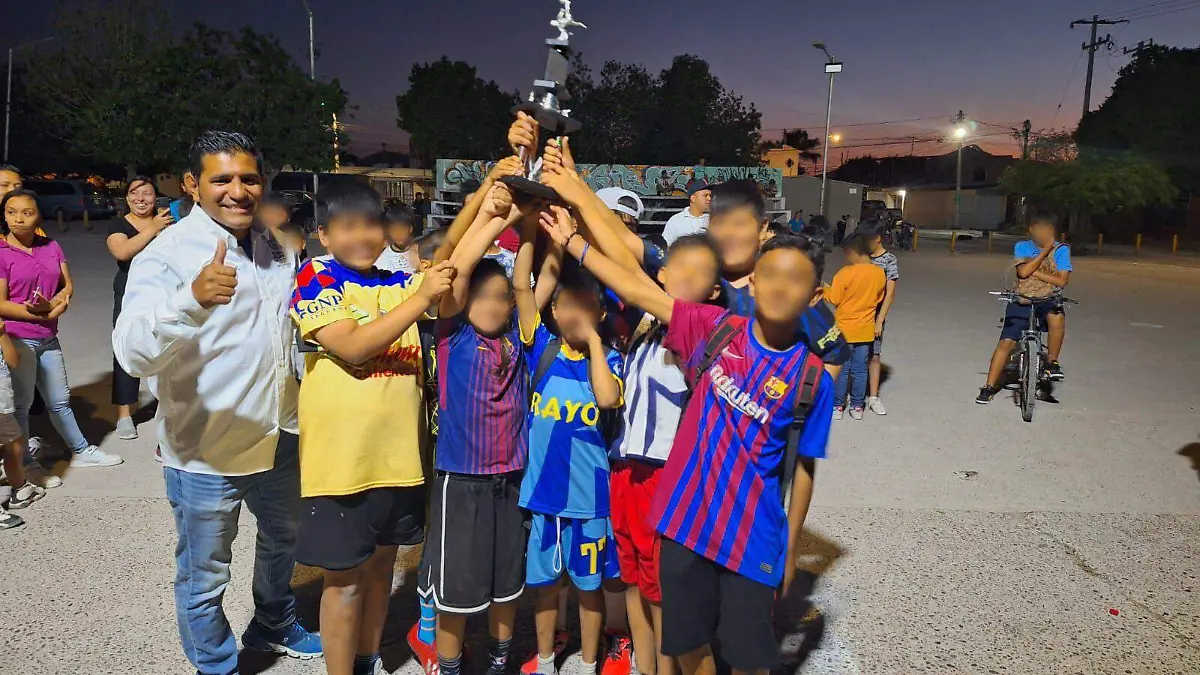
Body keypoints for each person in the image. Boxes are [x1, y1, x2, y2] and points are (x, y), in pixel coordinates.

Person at [539, 195, 834, 675]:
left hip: (752, 535)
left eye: (796, 279)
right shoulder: (714, 329)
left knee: (748, 656)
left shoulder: (812, 377)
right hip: (685, 525)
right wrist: (573, 241)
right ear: (753, 281)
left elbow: (804, 468)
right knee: (686, 642)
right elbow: (634, 286)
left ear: (815, 295)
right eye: (771, 275)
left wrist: (791, 548)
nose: (781, 287)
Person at [113, 131, 322, 675]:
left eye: (248, 178)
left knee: (284, 541)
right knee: (205, 576)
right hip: (205, 453)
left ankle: (273, 621)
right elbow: (131, 353)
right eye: (221, 179)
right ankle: (216, 665)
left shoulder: (278, 245)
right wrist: (190, 301)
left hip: (279, 436)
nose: (237, 190)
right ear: (192, 184)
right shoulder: (167, 254)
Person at [289, 181, 454, 675]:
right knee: (343, 581)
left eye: (371, 226)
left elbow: (449, 266)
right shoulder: (316, 277)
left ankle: (367, 658)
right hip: (342, 465)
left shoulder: (394, 280)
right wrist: (420, 298)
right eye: (347, 227)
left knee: (382, 568)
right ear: (323, 234)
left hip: (399, 459)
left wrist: (490, 201)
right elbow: (354, 346)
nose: (362, 236)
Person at [418, 184, 536, 675]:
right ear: (464, 302)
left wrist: (529, 224)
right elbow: (458, 269)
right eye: (481, 297)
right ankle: (449, 664)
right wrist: (494, 217)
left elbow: (526, 282)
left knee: (506, 584)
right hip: (461, 481)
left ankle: (500, 659)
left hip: (510, 479)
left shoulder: (518, 339)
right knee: (457, 589)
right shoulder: (454, 336)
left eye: (501, 299)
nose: (493, 305)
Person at [517, 228, 623, 675]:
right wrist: (536, 233)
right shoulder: (541, 349)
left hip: (590, 501)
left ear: (601, 313)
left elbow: (607, 399)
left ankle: (589, 661)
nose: (576, 315)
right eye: (568, 306)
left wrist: (595, 343)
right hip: (543, 499)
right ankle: (545, 659)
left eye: (587, 307)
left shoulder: (611, 360)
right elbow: (522, 288)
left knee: (589, 587)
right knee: (544, 586)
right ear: (554, 311)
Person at [0, 190, 113, 469]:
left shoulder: (51, 246)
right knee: (22, 405)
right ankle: (25, 463)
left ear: (39, 215)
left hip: (48, 337)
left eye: (27, 213)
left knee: (60, 400)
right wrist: (41, 312)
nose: (18, 219)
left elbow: (67, 284)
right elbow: (0, 304)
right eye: (11, 212)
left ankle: (81, 451)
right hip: (18, 338)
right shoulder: (2, 253)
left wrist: (55, 306)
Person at [977, 213, 1072, 404]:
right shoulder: (1022, 246)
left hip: (1048, 298)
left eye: (1048, 230)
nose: (1043, 233)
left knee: (1057, 317)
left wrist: (1033, 271)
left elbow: (1061, 281)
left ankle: (1052, 363)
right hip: (1023, 297)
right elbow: (1022, 273)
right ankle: (989, 387)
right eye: (1040, 229)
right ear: (1031, 230)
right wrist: (1044, 252)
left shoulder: (1062, 250)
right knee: (1006, 342)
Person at [107, 176, 174, 440]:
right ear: (126, 198)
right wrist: (153, 228)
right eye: (134, 193)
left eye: (146, 193)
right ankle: (125, 414)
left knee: (169, 348)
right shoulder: (119, 224)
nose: (140, 199)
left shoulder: (168, 222)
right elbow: (122, 252)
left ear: (155, 197)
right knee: (127, 348)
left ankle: (168, 406)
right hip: (129, 294)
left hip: (164, 291)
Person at [824, 233, 886, 420]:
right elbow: (879, 298)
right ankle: (857, 407)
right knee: (860, 370)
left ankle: (838, 406)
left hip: (844, 330)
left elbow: (834, 298)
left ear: (852, 252)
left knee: (842, 370)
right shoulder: (879, 273)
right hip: (865, 331)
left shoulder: (845, 273)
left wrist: (824, 288)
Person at [0, 317, 45, 529]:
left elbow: (12, 361)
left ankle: (19, 489)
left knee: (15, 442)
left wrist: (2, 333)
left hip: (2, 401)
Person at [858, 221, 899, 415]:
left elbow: (889, 294)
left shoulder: (889, 260)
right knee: (854, 355)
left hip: (875, 315)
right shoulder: (861, 256)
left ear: (878, 239)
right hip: (856, 313)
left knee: (874, 355)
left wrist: (879, 321)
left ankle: (874, 397)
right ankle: (851, 397)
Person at [661, 178, 711, 246]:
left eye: (710, 195)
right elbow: (666, 246)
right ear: (693, 198)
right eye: (705, 195)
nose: (709, 198)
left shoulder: (715, 220)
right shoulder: (676, 220)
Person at [375, 202, 422, 274]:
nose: (398, 234)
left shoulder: (422, 253)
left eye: (402, 229)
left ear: (410, 228)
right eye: (394, 230)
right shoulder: (382, 260)